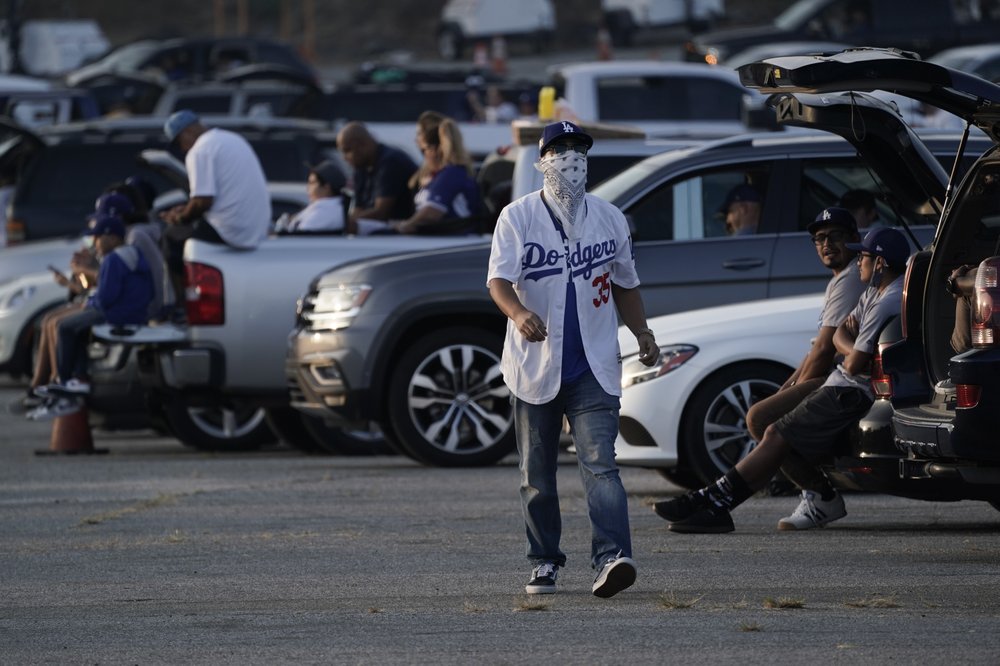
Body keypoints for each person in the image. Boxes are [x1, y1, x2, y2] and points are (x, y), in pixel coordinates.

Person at [487, 120, 659, 598]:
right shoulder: (517, 217)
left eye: (578, 149)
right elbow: (498, 280)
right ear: (543, 161)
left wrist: (642, 331)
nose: (570, 158)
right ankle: (544, 561)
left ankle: (613, 558)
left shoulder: (609, 217)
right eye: (559, 150)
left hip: (594, 366)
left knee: (601, 464)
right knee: (536, 475)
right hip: (536, 366)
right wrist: (518, 312)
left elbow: (625, 282)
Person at [653, 227, 910, 533]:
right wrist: (846, 340)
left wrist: (846, 341)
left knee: (776, 432)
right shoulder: (873, 289)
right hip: (840, 382)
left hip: (851, 391)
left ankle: (715, 502)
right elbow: (842, 334)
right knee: (764, 420)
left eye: (864, 257)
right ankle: (804, 495)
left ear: (879, 263)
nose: (859, 263)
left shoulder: (886, 300)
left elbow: (853, 362)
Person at [743, 207, 866, 529]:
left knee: (761, 418)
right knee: (767, 413)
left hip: (848, 382)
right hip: (837, 376)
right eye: (819, 239)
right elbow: (816, 349)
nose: (826, 244)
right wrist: (787, 389)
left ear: (854, 239)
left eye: (835, 236)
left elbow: (825, 351)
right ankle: (817, 490)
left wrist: (792, 403)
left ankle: (820, 496)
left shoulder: (852, 278)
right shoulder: (842, 278)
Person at [27, 215, 154, 420]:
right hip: (133, 311)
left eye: (96, 238)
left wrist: (90, 302)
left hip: (118, 314)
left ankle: (66, 382)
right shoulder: (132, 254)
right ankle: (79, 378)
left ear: (112, 238)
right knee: (76, 326)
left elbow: (106, 298)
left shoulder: (114, 259)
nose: (94, 244)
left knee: (65, 327)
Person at [388, 111, 483, 234]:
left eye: (425, 149)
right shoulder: (439, 175)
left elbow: (431, 213)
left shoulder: (452, 173)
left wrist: (404, 225)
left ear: (436, 149)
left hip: (456, 240)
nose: (424, 154)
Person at [335, 121, 418, 233]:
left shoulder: (391, 162)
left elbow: (381, 213)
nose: (344, 157)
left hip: (402, 231)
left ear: (362, 145)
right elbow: (358, 209)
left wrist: (344, 221)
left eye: (347, 150)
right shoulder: (361, 167)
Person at [274, 160, 348, 233]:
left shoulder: (328, 211)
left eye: (312, 183)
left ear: (326, 187)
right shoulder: (323, 207)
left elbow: (299, 235)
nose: (308, 188)